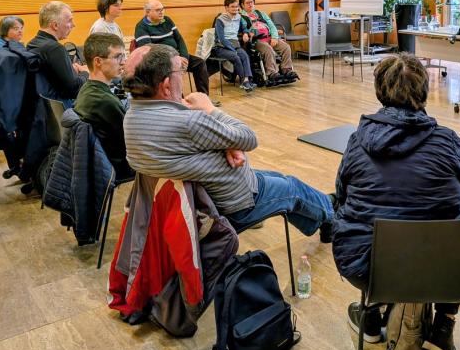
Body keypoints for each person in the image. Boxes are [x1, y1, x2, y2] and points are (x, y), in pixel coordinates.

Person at [333, 53, 460, 350]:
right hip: (443, 269)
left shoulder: (356, 141)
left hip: (369, 267)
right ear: (423, 93)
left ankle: (373, 314)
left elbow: (341, 196)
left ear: (380, 91)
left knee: (362, 220)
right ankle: (444, 324)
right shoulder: (448, 141)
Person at [122, 44, 334, 239]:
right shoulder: (188, 122)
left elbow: (201, 142)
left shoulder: (132, 117)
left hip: (200, 201)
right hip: (234, 206)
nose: (183, 75)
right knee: (293, 187)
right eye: (179, 70)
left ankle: (322, 218)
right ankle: (333, 216)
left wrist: (227, 144)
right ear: (166, 85)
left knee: (281, 178)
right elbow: (248, 137)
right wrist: (209, 109)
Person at [73, 32, 131, 179]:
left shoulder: (87, 89)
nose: (123, 62)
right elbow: (131, 143)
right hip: (117, 168)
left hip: (101, 165)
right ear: (98, 61)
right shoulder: (105, 102)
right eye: (118, 57)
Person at [134, 0, 210, 95]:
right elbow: (149, 49)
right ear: (148, 12)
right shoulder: (141, 27)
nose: (161, 12)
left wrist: (184, 58)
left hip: (178, 57)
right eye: (158, 10)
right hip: (161, 61)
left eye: (162, 9)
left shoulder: (167, 20)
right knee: (174, 70)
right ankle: (178, 102)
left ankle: (203, 97)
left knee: (200, 63)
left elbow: (179, 39)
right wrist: (174, 58)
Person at [27, 1, 88, 101]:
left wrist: (70, 70)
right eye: (69, 21)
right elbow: (74, 90)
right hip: (58, 110)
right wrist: (86, 73)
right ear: (55, 25)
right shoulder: (55, 48)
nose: (73, 25)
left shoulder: (33, 43)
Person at [238, 0, 297, 83]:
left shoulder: (260, 13)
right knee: (268, 49)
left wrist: (274, 37)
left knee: (286, 47)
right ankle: (272, 72)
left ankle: (286, 69)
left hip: (269, 37)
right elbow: (244, 30)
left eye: (252, 2)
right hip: (256, 41)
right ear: (242, 5)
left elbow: (272, 26)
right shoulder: (241, 17)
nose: (250, 4)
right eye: (247, 3)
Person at [213, 0, 255, 92]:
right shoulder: (220, 19)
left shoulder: (239, 17)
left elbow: (244, 28)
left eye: (236, 7)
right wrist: (232, 49)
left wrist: (245, 33)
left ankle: (247, 80)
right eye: (232, 7)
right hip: (221, 46)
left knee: (244, 55)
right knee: (236, 57)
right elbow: (221, 38)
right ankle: (243, 81)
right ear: (226, 8)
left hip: (235, 44)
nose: (235, 9)